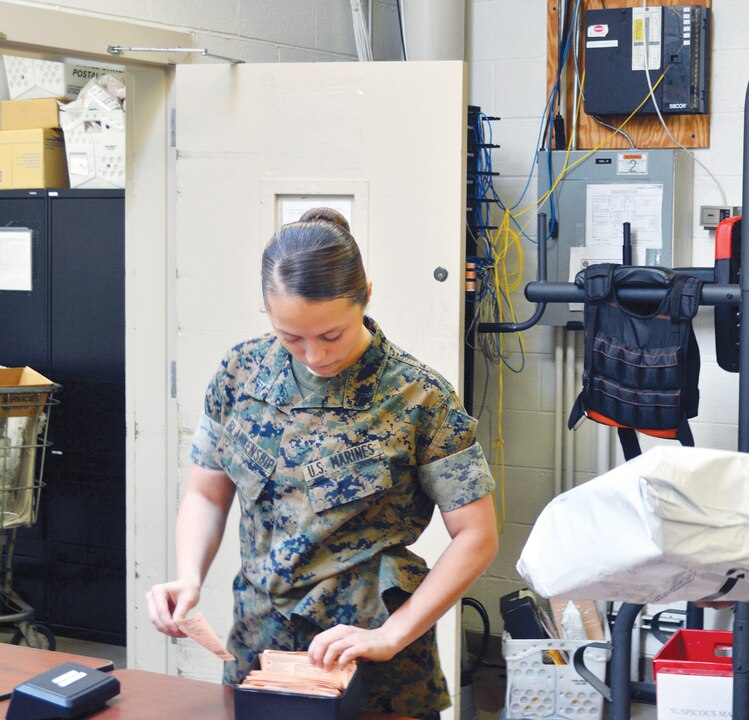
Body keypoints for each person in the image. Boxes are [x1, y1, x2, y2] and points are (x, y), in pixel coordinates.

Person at [146, 207, 498, 719]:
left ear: (366, 296)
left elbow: (477, 536)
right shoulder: (240, 373)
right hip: (260, 644)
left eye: (331, 335)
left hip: (371, 651)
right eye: (291, 337)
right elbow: (206, 492)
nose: (314, 355)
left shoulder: (421, 397)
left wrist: (390, 635)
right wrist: (188, 576)